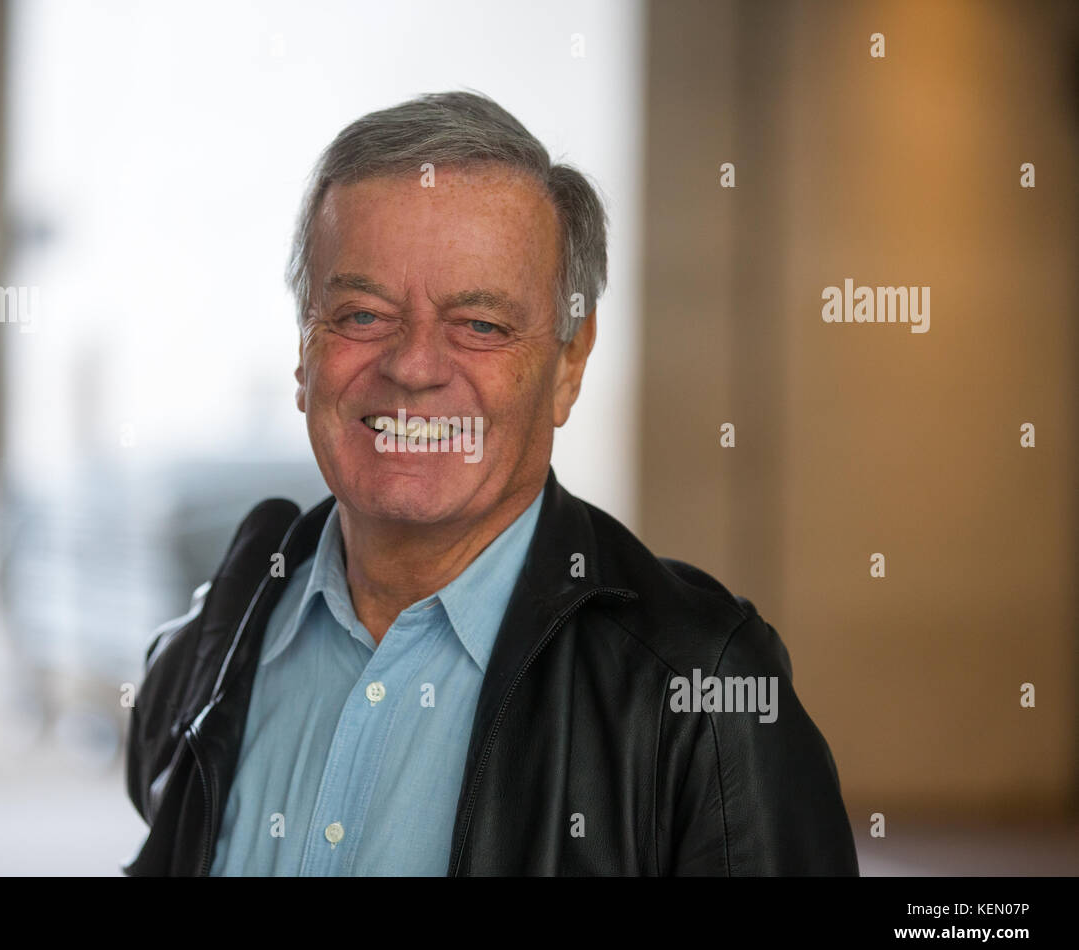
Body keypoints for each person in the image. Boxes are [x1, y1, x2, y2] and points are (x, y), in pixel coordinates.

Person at [123, 90, 858, 876]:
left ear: (569, 361)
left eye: (480, 325)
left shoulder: (705, 696)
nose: (412, 365)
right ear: (304, 347)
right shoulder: (220, 639)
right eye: (363, 314)